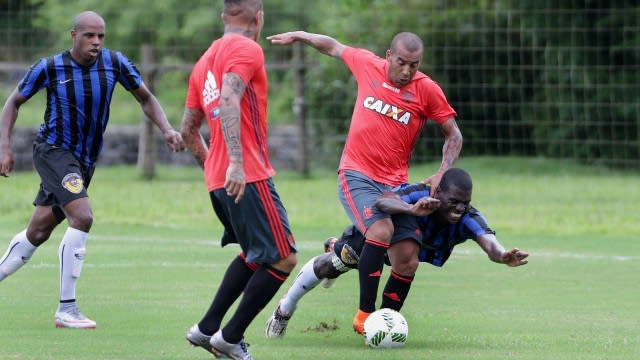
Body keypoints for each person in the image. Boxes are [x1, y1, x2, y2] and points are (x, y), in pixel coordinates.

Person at [267, 30, 464, 333]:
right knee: (381, 230)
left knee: (405, 259)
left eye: (414, 64)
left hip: (395, 188)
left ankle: (382, 327)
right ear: (388, 56)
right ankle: (363, 316)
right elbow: (333, 46)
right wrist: (301, 36)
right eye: (402, 62)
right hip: (356, 175)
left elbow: (454, 134)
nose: (407, 70)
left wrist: (442, 172)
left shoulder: (427, 90)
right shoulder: (366, 64)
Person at [0, 11, 183, 329]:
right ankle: (66, 309)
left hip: (84, 161)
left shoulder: (115, 64)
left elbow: (146, 97)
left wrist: (167, 129)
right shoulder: (51, 67)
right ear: (74, 35)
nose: (96, 42)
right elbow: (12, 103)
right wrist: (3, 146)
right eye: (89, 36)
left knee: (39, 231)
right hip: (54, 152)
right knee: (82, 217)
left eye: (101, 36)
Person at [265, 168, 529, 339]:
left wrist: (502, 255)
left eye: (465, 202)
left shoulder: (467, 217)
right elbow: (381, 201)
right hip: (382, 234)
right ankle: (285, 308)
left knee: (408, 262)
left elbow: (490, 243)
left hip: (402, 253)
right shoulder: (419, 194)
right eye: (454, 201)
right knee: (340, 261)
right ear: (437, 192)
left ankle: (382, 328)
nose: (460, 208)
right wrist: (409, 209)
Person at [180, 1, 297, 359]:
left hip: (219, 178)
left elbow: (188, 130)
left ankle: (205, 329)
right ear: (258, 17)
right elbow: (230, 96)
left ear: (223, 17)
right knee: (283, 258)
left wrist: (213, 166)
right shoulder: (247, 47)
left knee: (253, 255)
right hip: (246, 174)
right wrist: (235, 162)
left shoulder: (204, 60)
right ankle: (229, 338)